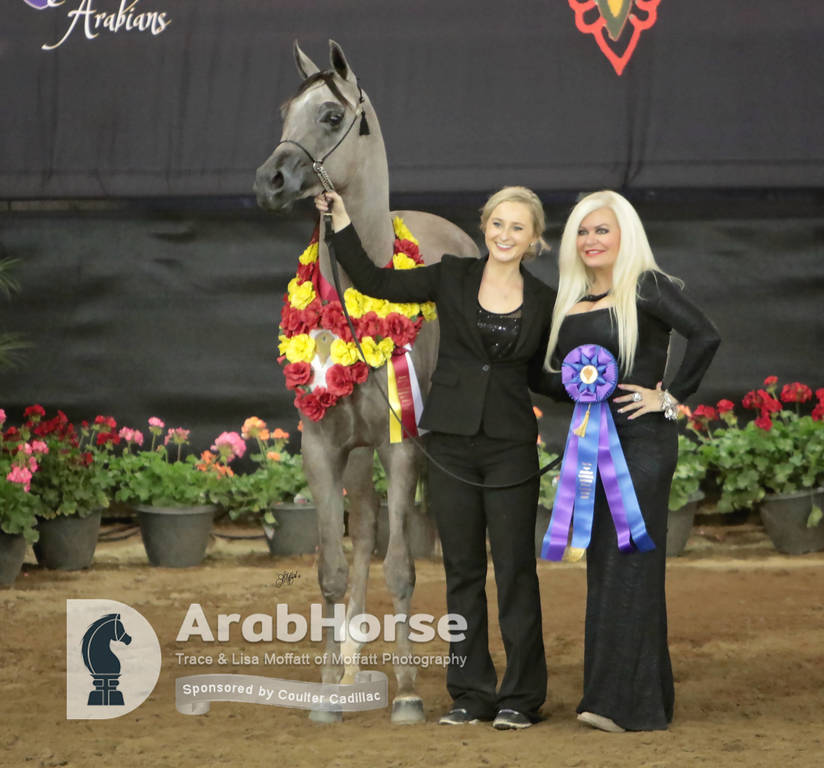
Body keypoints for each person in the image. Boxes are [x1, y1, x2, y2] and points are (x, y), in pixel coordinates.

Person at [315, 186, 556, 730]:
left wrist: (595, 388)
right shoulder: (451, 276)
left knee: (516, 572)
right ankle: (471, 693)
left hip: (510, 450)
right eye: (497, 223)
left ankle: (521, 695)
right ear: (485, 227)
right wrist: (344, 219)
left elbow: (542, 375)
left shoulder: (543, 301)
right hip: (450, 447)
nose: (504, 234)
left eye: (517, 227)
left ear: (534, 240)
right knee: (462, 571)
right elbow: (376, 282)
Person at [541, 190, 721, 732]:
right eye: (582, 231)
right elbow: (562, 379)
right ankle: (618, 697)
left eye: (602, 230)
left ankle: (630, 705)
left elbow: (706, 335)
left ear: (624, 236)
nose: (591, 240)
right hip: (592, 444)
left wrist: (669, 397)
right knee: (605, 566)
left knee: (634, 565)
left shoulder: (644, 285)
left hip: (641, 444)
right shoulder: (571, 298)